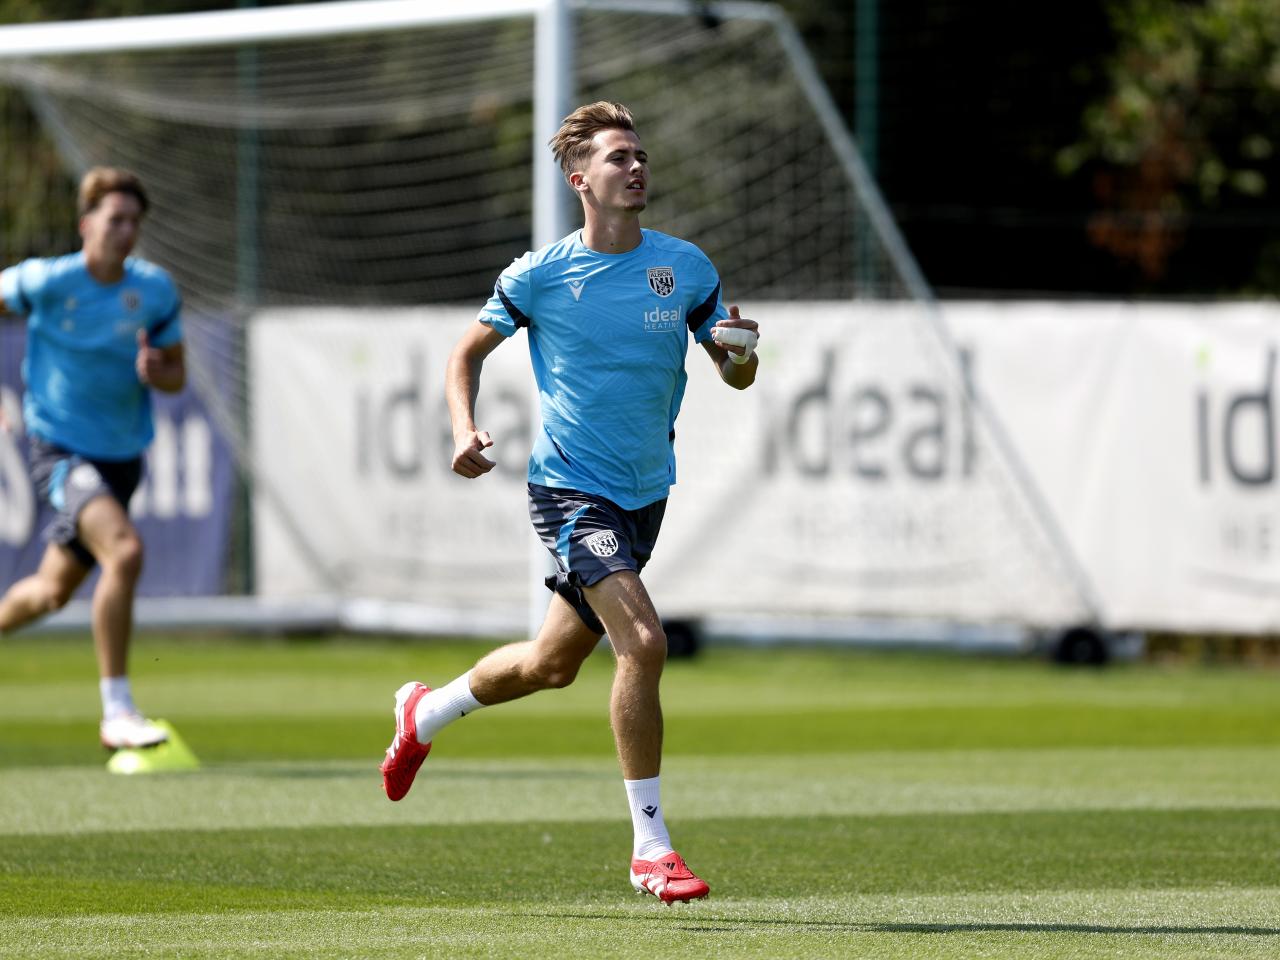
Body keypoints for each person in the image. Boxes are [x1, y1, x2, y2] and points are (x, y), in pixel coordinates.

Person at [380, 102, 760, 904]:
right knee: (646, 644)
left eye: (641, 155)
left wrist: (740, 355)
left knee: (552, 666)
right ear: (579, 179)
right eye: (620, 157)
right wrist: (462, 427)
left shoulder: (686, 267)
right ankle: (650, 847)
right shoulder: (539, 274)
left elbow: (734, 373)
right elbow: (466, 352)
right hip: (569, 489)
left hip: (644, 495)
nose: (637, 167)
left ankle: (426, 713)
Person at [0, 167, 185, 750]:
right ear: (86, 224)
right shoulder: (46, 281)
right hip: (59, 449)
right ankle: (117, 712)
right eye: (115, 219)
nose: (125, 231)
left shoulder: (154, 290)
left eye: (134, 221)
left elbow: (176, 375)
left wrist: (162, 372)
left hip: (122, 459)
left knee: (51, 593)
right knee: (124, 551)